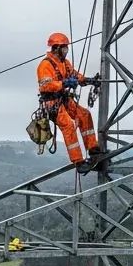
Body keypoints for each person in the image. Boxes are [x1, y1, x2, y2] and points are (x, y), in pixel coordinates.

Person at [37, 32, 104, 173]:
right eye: (64, 48)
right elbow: (45, 85)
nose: (66, 51)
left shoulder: (64, 63)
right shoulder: (45, 65)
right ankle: (79, 162)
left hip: (64, 99)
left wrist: (87, 80)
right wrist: (64, 83)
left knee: (84, 115)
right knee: (68, 125)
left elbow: (74, 75)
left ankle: (93, 150)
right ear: (56, 48)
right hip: (52, 103)